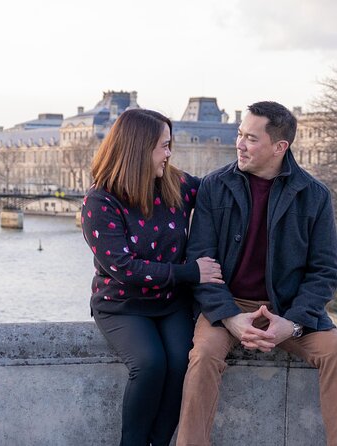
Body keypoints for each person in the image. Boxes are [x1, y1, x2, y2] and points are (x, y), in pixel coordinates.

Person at [177, 101, 337, 446]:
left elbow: (325, 271)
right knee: (202, 357)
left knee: (335, 350)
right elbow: (201, 263)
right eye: (239, 134)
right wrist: (230, 318)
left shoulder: (314, 195)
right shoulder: (214, 187)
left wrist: (291, 323)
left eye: (250, 138)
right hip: (228, 304)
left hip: (288, 307)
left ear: (280, 147)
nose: (239, 144)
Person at [81, 108, 223, 446]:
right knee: (149, 364)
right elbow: (124, 269)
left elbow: (217, 191)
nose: (169, 154)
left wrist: (255, 163)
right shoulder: (100, 201)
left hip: (171, 302)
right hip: (122, 304)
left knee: (180, 365)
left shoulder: (174, 184)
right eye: (164, 146)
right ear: (139, 149)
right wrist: (191, 272)